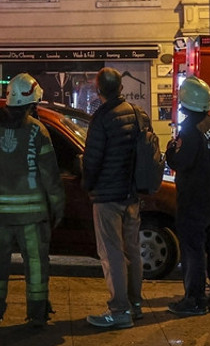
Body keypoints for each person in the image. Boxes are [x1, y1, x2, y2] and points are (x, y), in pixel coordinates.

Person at [0, 73, 66, 329]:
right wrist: (57, 206)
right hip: (32, 217)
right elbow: (50, 175)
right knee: (35, 265)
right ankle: (36, 314)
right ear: (33, 100)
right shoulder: (37, 130)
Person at [164, 76, 210, 316]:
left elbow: (179, 161)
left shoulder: (190, 131)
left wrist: (170, 149)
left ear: (184, 103)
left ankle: (194, 299)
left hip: (194, 202)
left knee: (193, 250)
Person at [82, 67, 142, 329]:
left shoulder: (102, 118)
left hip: (108, 196)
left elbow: (92, 160)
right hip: (132, 194)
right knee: (132, 250)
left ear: (99, 91)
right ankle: (135, 304)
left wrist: (87, 184)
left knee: (112, 253)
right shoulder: (137, 114)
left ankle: (119, 310)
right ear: (121, 88)